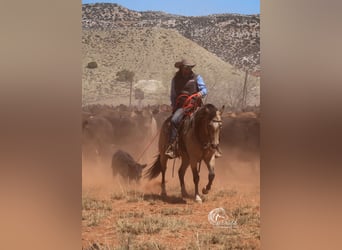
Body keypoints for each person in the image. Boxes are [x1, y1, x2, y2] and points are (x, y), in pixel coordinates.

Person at [165, 58, 222, 159]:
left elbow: (204, 89)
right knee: (174, 120)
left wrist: (200, 93)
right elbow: (173, 95)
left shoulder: (197, 77)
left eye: (189, 67)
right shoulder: (175, 80)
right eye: (186, 67)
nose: (187, 69)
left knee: (213, 121)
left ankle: (215, 146)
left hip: (196, 105)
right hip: (182, 107)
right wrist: (174, 107)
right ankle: (172, 146)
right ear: (181, 68)